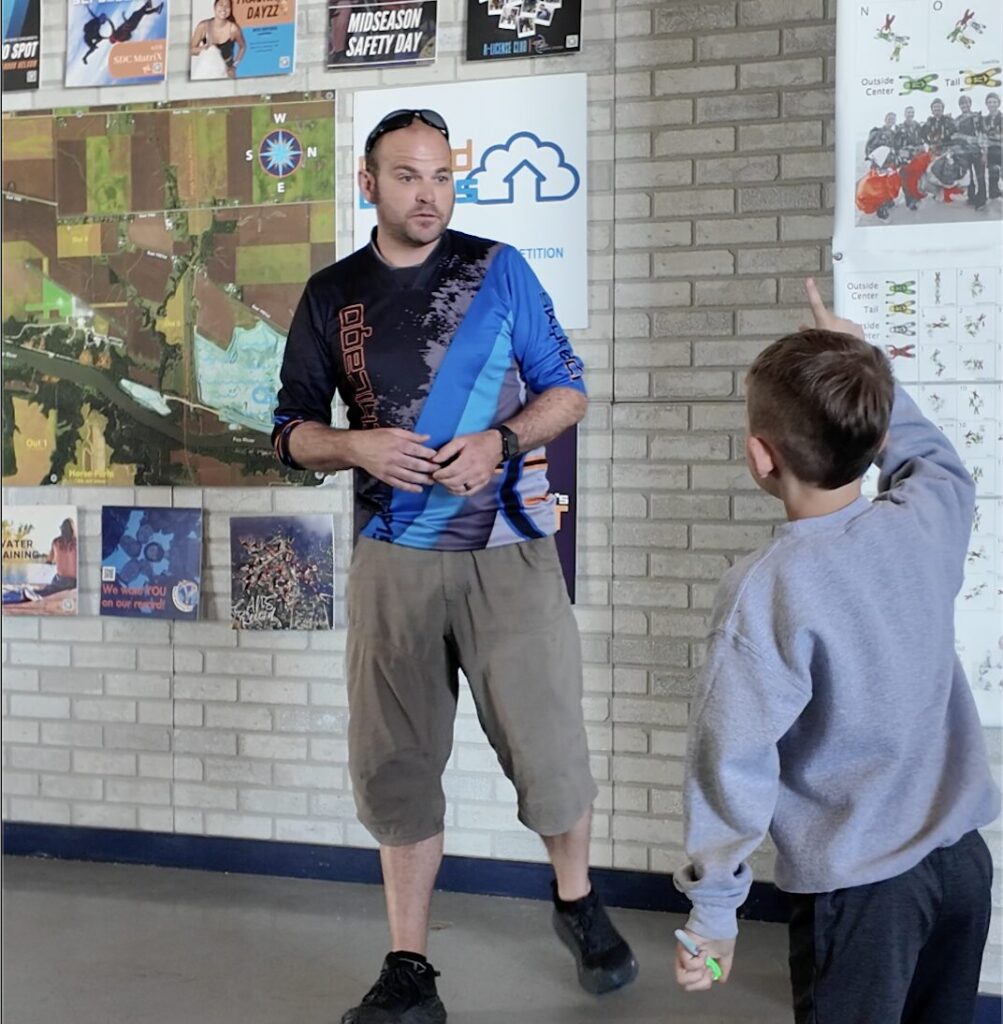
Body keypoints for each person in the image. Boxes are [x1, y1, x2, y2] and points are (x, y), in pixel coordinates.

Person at [272, 109, 637, 1024]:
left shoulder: (498, 268)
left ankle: (575, 898)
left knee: (547, 748)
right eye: (407, 176)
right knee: (394, 763)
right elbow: (289, 433)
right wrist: (353, 446)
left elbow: (567, 391)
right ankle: (409, 966)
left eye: (441, 176)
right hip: (391, 558)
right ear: (368, 184)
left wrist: (500, 442)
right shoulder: (330, 295)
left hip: (509, 553)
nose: (428, 194)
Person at [672, 279, 1000, 1023]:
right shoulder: (924, 519)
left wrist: (715, 913)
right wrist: (862, 360)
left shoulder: (765, 589)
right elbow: (935, 460)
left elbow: (730, 762)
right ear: (877, 438)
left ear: (761, 457)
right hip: (962, 869)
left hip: (862, 892)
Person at [190, 0, 245, 79]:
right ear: (214, 7)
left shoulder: (233, 28)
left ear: (230, 10)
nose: (224, 8)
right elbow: (191, 50)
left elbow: (242, 47)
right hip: (206, 71)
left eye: (227, 6)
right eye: (221, 5)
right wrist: (204, 49)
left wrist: (234, 65)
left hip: (225, 74)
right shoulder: (203, 26)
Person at [953, 94, 986, 209]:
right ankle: (971, 197)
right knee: (969, 176)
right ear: (959, 106)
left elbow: (983, 133)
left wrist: (984, 151)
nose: (965, 105)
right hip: (964, 153)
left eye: (967, 103)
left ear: (970, 104)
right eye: (962, 103)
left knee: (980, 175)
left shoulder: (977, 116)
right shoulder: (957, 120)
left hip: (977, 151)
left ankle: (982, 199)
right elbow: (954, 136)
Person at [983, 91, 1002, 199]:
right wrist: (985, 153)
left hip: (1001, 149)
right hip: (990, 150)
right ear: (986, 104)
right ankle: (994, 194)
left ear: (999, 103)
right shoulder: (985, 120)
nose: (992, 104)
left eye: (994, 102)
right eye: (989, 102)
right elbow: (983, 136)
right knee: (993, 175)